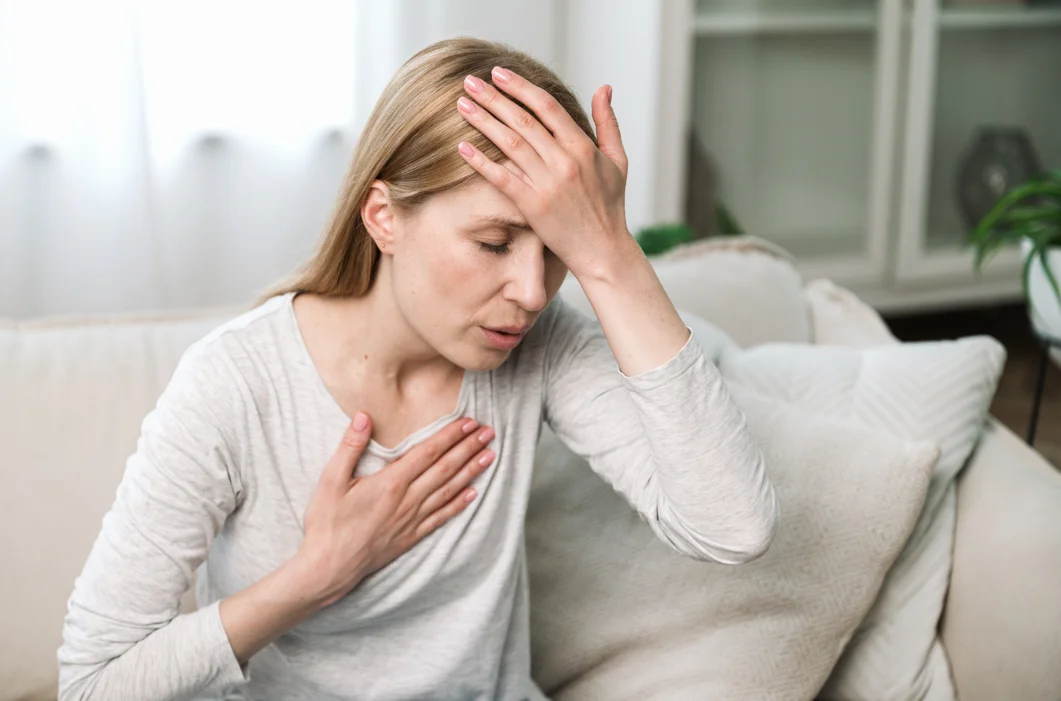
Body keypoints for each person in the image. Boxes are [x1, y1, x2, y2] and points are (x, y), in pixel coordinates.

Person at [57, 37, 778, 701]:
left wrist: (609, 254)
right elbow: (92, 681)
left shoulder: (541, 342)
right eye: (494, 242)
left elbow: (732, 527)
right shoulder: (235, 381)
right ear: (383, 216)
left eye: (555, 248)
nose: (532, 290)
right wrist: (316, 577)